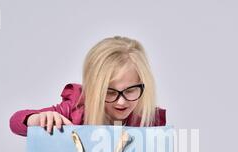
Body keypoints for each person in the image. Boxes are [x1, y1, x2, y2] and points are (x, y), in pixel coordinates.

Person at [9, 36, 166, 136]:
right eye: (109, 92)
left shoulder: (148, 120)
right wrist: (36, 120)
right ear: (93, 89)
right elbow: (15, 122)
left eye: (131, 90)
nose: (121, 102)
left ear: (144, 86)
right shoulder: (76, 108)